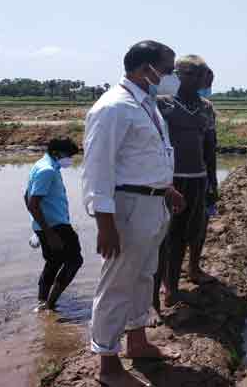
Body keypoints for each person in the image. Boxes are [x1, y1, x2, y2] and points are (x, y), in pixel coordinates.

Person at [83, 40, 185, 387]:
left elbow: (142, 159)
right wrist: (104, 223)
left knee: (144, 276)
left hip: (152, 204)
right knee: (116, 284)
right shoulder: (113, 108)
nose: (172, 77)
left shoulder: (147, 106)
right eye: (169, 70)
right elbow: (98, 171)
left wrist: (166, 188)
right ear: (146, 70)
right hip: (127, 209)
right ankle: (108, 363)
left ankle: (137, 342)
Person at [155, 55, 218, 309]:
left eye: (203, 76)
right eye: (197, 75)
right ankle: (167, 287)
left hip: (198, 178)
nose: (202, 80)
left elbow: (210, 146)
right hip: (171, 181)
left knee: (192, 231)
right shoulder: (163, 105)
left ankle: (185, 275)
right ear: (180, 75)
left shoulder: (206, 107)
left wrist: (212, 181)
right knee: (169, 237)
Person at [25, 137, 83, 311]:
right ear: (57, 153)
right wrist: (49, 233)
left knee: (54, 262)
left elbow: (27, 196)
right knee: (75, 261)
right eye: (68, 156)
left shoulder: (41, 165)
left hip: (48, 225)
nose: (70, 160)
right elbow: (33, 202)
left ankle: (42, 302)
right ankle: (50, 304)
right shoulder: (47, 170)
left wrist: (38, 227)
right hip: (56, 227)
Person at [199, 67, 219, 219]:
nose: (208, 89)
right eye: (207, 84)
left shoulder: (206, 107)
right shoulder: (205, 108)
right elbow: (210, 150)